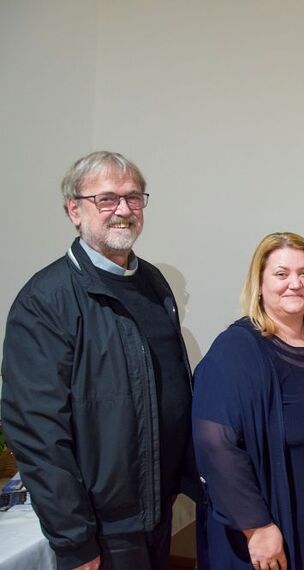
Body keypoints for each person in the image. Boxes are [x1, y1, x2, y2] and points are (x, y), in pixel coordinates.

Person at [1, 151, 194, 570]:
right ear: (75, 210)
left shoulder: (152, 283)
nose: (123, 210)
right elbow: (37, 432)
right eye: (106, 199)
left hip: (158, 510)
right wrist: (74, 538)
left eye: (133, 197)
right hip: (103, 528)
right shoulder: (45, 300)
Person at [193, 232, 304, 570]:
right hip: (277, 527)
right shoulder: (236, 350)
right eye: (281, 274)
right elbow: (214, 445)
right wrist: (257, 527)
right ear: (259, 284)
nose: (295, 284)